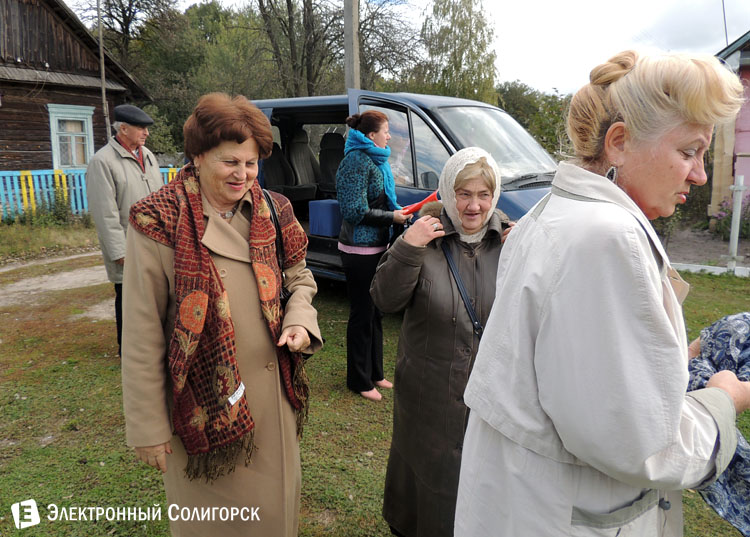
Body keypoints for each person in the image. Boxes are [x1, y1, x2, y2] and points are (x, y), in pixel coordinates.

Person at [454, 50, 750, 537]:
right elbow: (639, 442)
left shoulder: (551, 212)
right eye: (688, 151)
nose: (699, 174)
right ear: (619, 142)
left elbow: (577, 368)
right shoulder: (608, 237)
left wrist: (677, 358)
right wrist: (722, 401)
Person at [120, 92, 322, 537]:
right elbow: (141, 332)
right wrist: (148, 427)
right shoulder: (158, 221)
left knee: (276, 517)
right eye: (230, 161)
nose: (243, 174)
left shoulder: (274, 209)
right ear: (197, 155)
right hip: (205, 410)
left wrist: (299, 319)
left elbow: (299, 276)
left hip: (273, 402)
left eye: (251, 163)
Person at [370, 147, 509, 537]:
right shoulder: (424, 237)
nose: (474, 206)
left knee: (480, 489)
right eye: (464, 194)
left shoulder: (510, 243)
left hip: (488, 397)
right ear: (448, 192)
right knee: (426, 489)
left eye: (483, 194)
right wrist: (407, 247)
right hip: (427, 397)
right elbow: (384, 300)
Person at [336, 110, 411, 402]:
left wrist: (398, 213)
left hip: (378, 247)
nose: (389, 136)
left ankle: (375, 372)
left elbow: (380, 201)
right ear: (371, 135)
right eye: (386, 131)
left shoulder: (377, 160)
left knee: (376, 312)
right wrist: (392, 217)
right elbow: (353, 211)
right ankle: (359, 379)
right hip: (359, 251)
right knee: (362, 313)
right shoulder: (355, 161)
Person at [86, 104, 164, 356]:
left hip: (156, 242)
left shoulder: (148, 155)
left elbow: (161, 197)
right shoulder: (102, 162)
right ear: (123, 129)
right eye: (141, 128)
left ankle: (153, 344)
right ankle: (127, 350)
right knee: (128, 296)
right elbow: (104, 212)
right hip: (127, 243)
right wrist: (119, 252)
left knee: (155, 295)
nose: (146, 133)